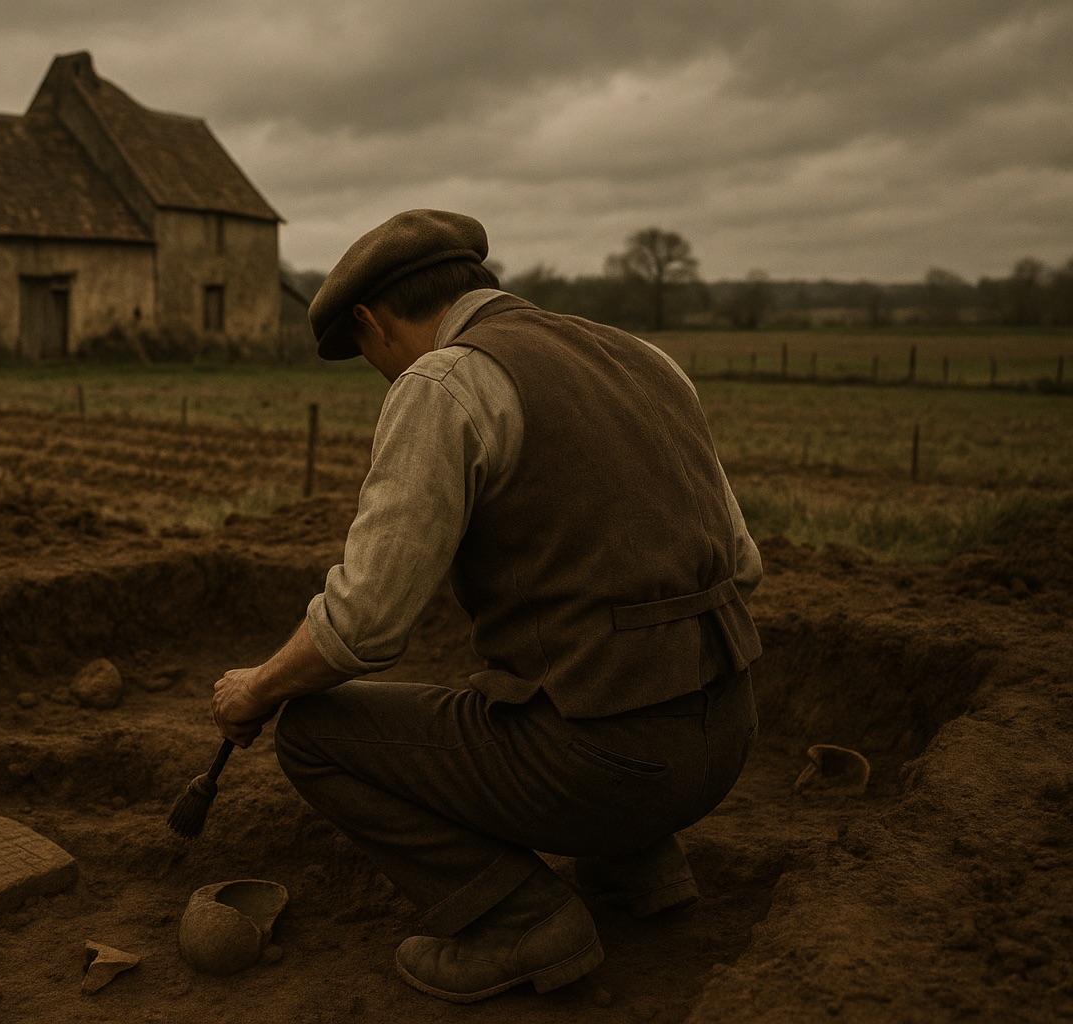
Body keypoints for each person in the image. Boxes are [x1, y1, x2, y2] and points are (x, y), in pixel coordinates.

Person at [211, 209, 762, 1004]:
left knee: (314, 733)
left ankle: (522, 920)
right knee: (536, 677)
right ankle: (643, 864)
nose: (378, 372)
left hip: (614, 771)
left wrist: (258, 687)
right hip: (731, 733)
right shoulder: (640, 357)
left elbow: (366, 626)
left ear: (370, 320)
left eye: (365, 353)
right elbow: (743, 568)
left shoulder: (442, 382)